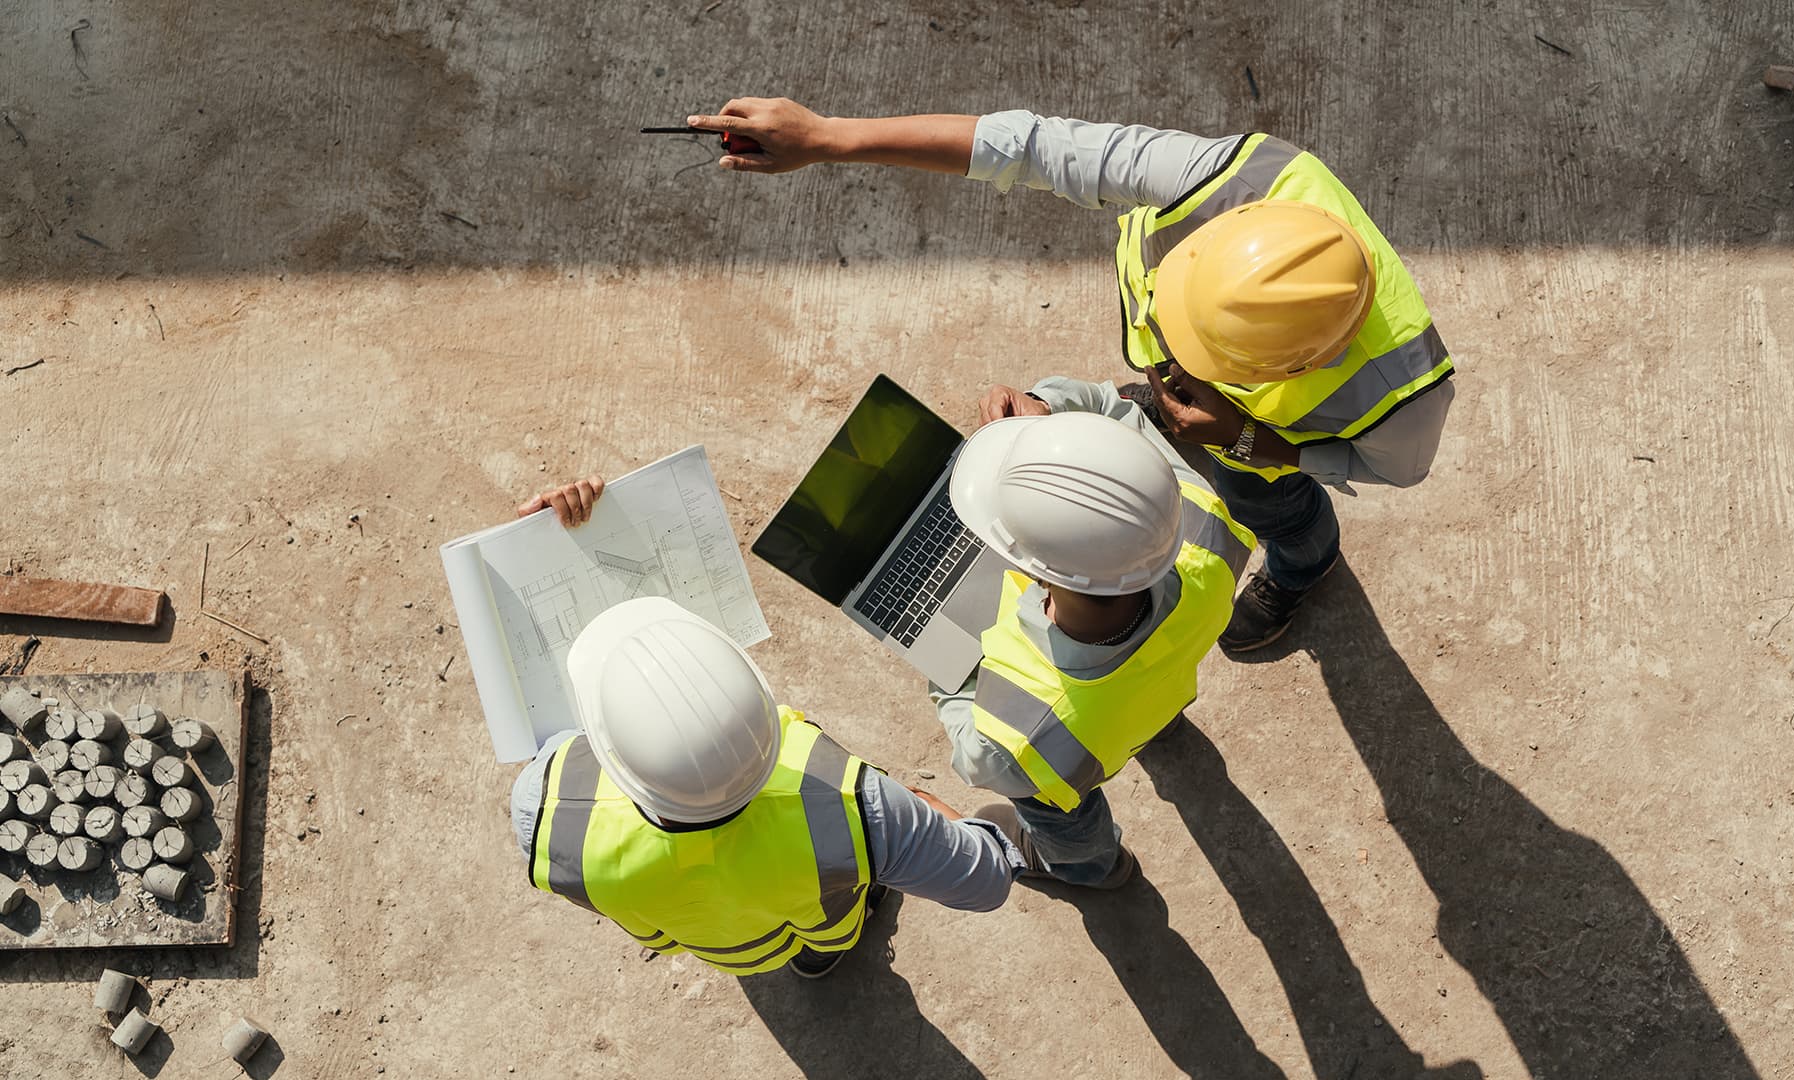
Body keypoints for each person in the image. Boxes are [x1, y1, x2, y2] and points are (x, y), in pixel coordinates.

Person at [686, 99, 1455, 651]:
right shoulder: (1225, 178)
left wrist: (1257, 443)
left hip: (1256, 448)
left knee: (1277, 510)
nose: (1167, 359)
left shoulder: (1405, 400)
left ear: (1296, 363)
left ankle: (1305, 564)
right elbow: (1031, 147)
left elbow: (1394, 472)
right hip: (1226, 421)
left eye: (1197, 356)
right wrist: (828, 137)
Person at [509, 479, 1025, 979]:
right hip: (821, 920)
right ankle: (821, 956)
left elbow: (555, 727)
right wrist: (911, 810)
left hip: (715, 944)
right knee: (828, 927)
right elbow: (986, 879)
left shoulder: (544, 811)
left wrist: (544, 550)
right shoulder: (857, 806)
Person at [930, 377, 1255, 888]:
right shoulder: (1204, 529)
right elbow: (1117, 417)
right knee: (1143, 702)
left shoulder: (1018, 738)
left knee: (1058, 813)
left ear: (1032, 572)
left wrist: (943, 670)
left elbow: (976, 759)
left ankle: (1092, 867)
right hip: (1149, 693)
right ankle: (1158, 729)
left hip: (1071, 752)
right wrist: (1048, 418)